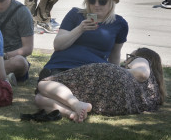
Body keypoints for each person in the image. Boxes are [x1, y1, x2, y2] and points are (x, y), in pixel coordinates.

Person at [34, 47, 164, 122]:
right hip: (115, 104)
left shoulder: (141, 59)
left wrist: (121, 70)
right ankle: (72, 113)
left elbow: (142, 73)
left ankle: (76, 104)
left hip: (109, 78)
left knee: (43, 85)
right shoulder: (153, 94)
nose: (126, 60)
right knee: (39, 98)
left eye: (130, 56)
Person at [39, 0, 128, 79]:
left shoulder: (119, 24)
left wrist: (115, 77)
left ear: (111, 3)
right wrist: (80, 29)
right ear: (87, 1)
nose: (96, 5)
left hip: (94, 71)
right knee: (49, 88)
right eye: (92, 0)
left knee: (43, 94)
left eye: (102, 1)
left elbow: (115, 55)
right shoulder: (75, 14)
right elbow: (58, 45)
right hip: (62, 65)